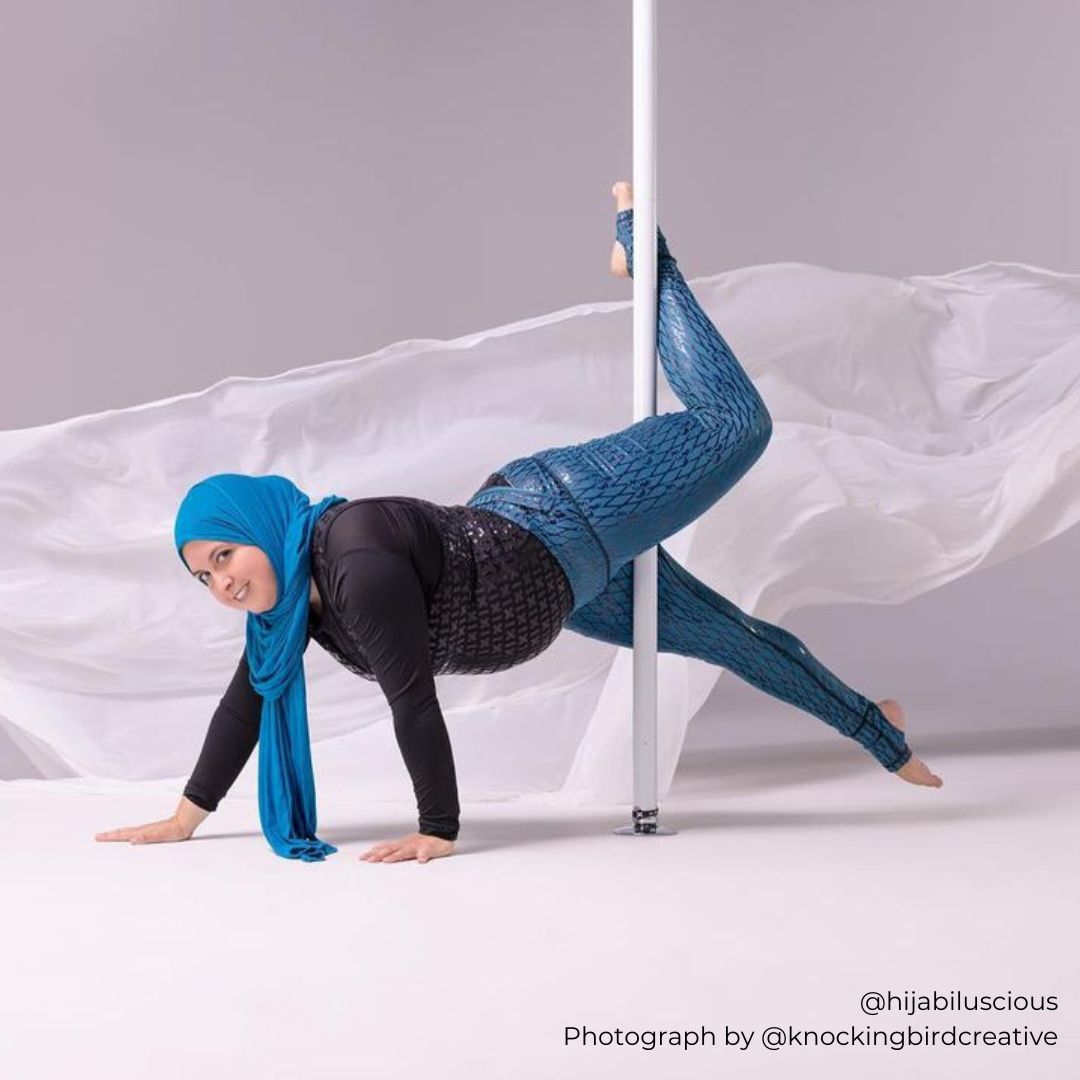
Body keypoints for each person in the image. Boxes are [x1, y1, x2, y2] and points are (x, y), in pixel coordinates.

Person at [95, 183, 942, 864]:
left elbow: (412, 700)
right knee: (732, 640)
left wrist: (439, 827)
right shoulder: (290, 616)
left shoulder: (352, 558)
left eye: (222, 555)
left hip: (568, 511)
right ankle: (879, 724)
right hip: (565, 587)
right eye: (202, 577)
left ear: (257, 524)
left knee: (736, 427)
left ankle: (647, 250)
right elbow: (245, 707)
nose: (221, 583)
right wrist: (183, 819)